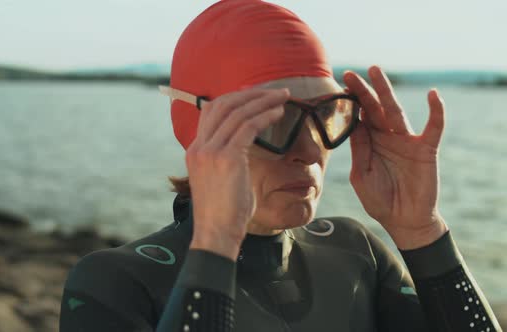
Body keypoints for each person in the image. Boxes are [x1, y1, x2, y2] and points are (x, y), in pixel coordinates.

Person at [59, 0, 503, 331]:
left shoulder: (355, 252)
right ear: (200, 132)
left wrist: (421, 231)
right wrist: (216, 243)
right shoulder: (116, 281)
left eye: (327, 113)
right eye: (274, 120)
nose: (311, 151)